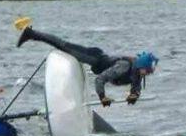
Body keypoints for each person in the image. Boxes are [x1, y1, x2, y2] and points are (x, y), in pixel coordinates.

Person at [16, 26, 158, 106]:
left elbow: (136, 88)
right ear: (142, 65)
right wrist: (102, 97)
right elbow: (100, 80)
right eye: (149, 70)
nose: (149, 73)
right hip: (94, 58)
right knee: (63, 45)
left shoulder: (138, 73)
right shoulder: (124, 66)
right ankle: (31, 33)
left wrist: (134, 96)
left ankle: (32, 33)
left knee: (64, 46)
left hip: (98, 61)